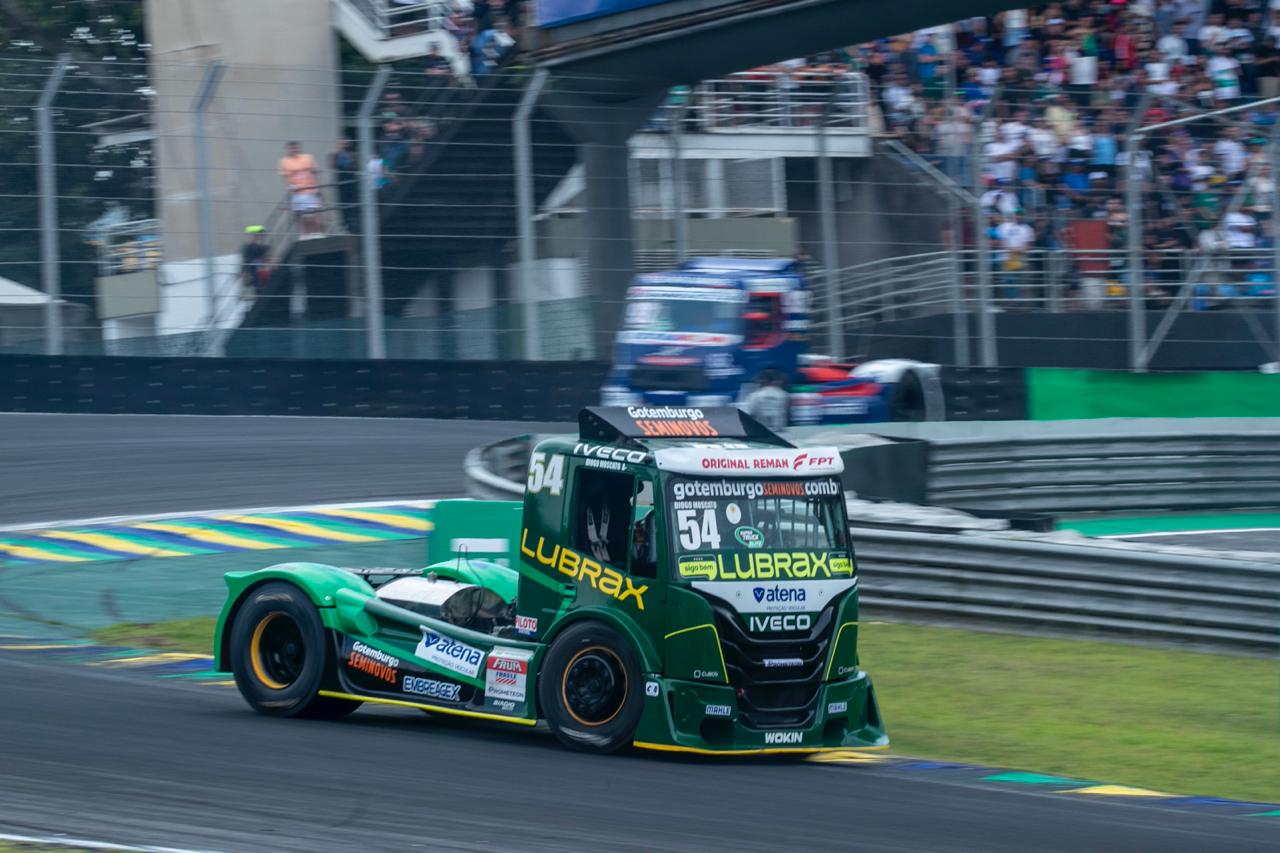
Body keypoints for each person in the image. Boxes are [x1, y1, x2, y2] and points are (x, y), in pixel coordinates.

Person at [278, 141, 324, 238]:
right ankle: (304, 235)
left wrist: (318, 187)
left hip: (310, 190)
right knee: (301, 216)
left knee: (313, 214)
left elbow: (315, 172)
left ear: (299, 148)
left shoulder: (308, 158)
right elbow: (285, 177)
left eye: (296, 148)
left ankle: (316, 233)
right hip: (297, 193)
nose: (294, 150)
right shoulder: (284, 161)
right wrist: (289, 186)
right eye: (291, 148)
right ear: (288, 149)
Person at [329, 138, 358, 234]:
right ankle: (344, 223)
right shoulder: (335, 155)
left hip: (351, 181)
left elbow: (355, 166)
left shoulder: (352, 154)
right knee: (342, 202)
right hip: (341, 181)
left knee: (352, 202)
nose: (343, 145)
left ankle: (351, 223)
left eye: (345, 143)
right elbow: (333, 165)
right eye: (341, 143)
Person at [239, 226, 270, 300]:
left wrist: (263, 261)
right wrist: (244, 272)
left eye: (260, 235)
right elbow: (246, 261)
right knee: (251, 290)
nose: (258, 237)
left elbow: (265, 260)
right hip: (252, 273)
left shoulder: (263, 247)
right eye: (255, 235)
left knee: (259, 289)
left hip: (259, 274)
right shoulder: (247, 247)